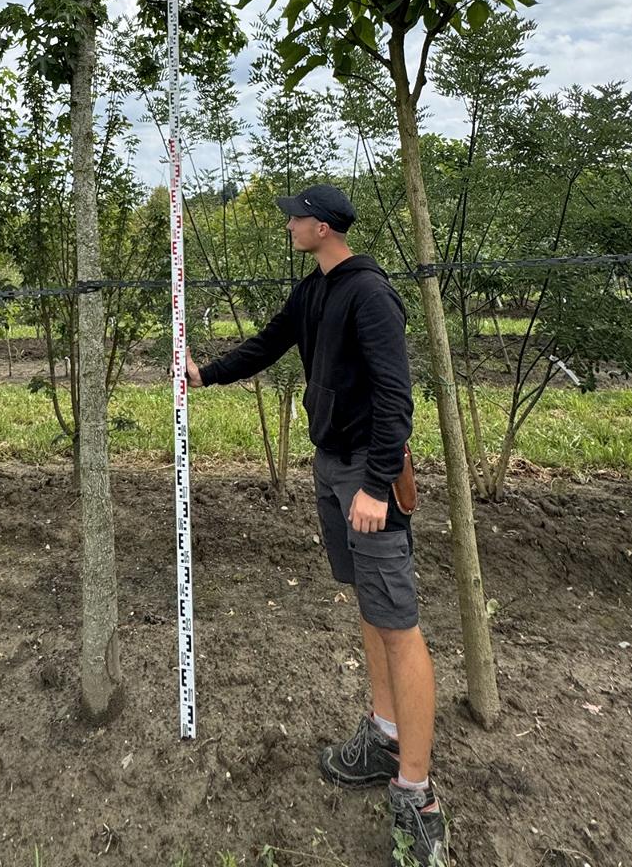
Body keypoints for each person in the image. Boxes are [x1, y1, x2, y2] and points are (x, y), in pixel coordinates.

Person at [184, 183, 448, 867]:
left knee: (398, 619)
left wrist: (374, 486)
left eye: (296, 218)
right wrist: (204, 375)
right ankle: (384, 733)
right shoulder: (314, 292)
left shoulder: (370, 293)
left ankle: (417, 795)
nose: (290, 226)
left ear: (324, 226)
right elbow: (271, 344)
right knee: (370, 605)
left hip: (368, 475)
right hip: (331, 466)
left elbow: (397, 395)